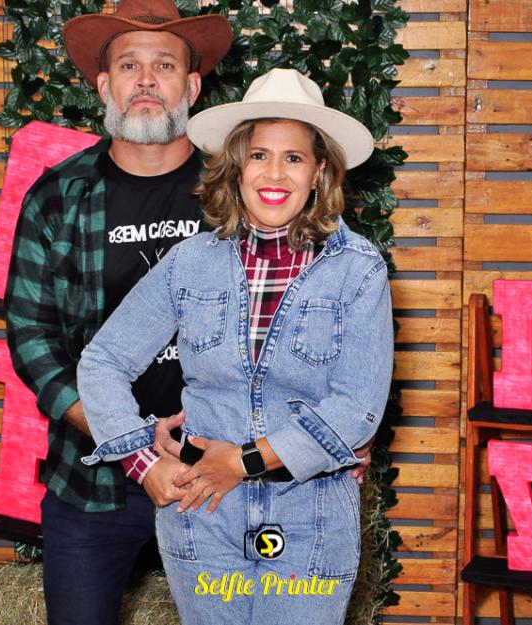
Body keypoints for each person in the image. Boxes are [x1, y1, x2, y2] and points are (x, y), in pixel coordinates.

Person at [77, 68, 394, 625]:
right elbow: (103, 361)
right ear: (236, 167)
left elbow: (357, 409)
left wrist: (244, 462)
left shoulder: (358, 269)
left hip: (310, 516)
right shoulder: (190, 263)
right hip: (202, 514)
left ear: (319, 171)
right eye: (258, 155)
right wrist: (143, 462)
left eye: (293, 158)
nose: (274, 173)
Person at [3, 1, 233, 624]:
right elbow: (32, 337)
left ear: (192, 87)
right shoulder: (59, 196)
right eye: (130, 65)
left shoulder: (237, 195)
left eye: (165, 65)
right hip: (92, 483)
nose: (147, 80)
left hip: (223, 474)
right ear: (106, 87)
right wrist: (128, 441)